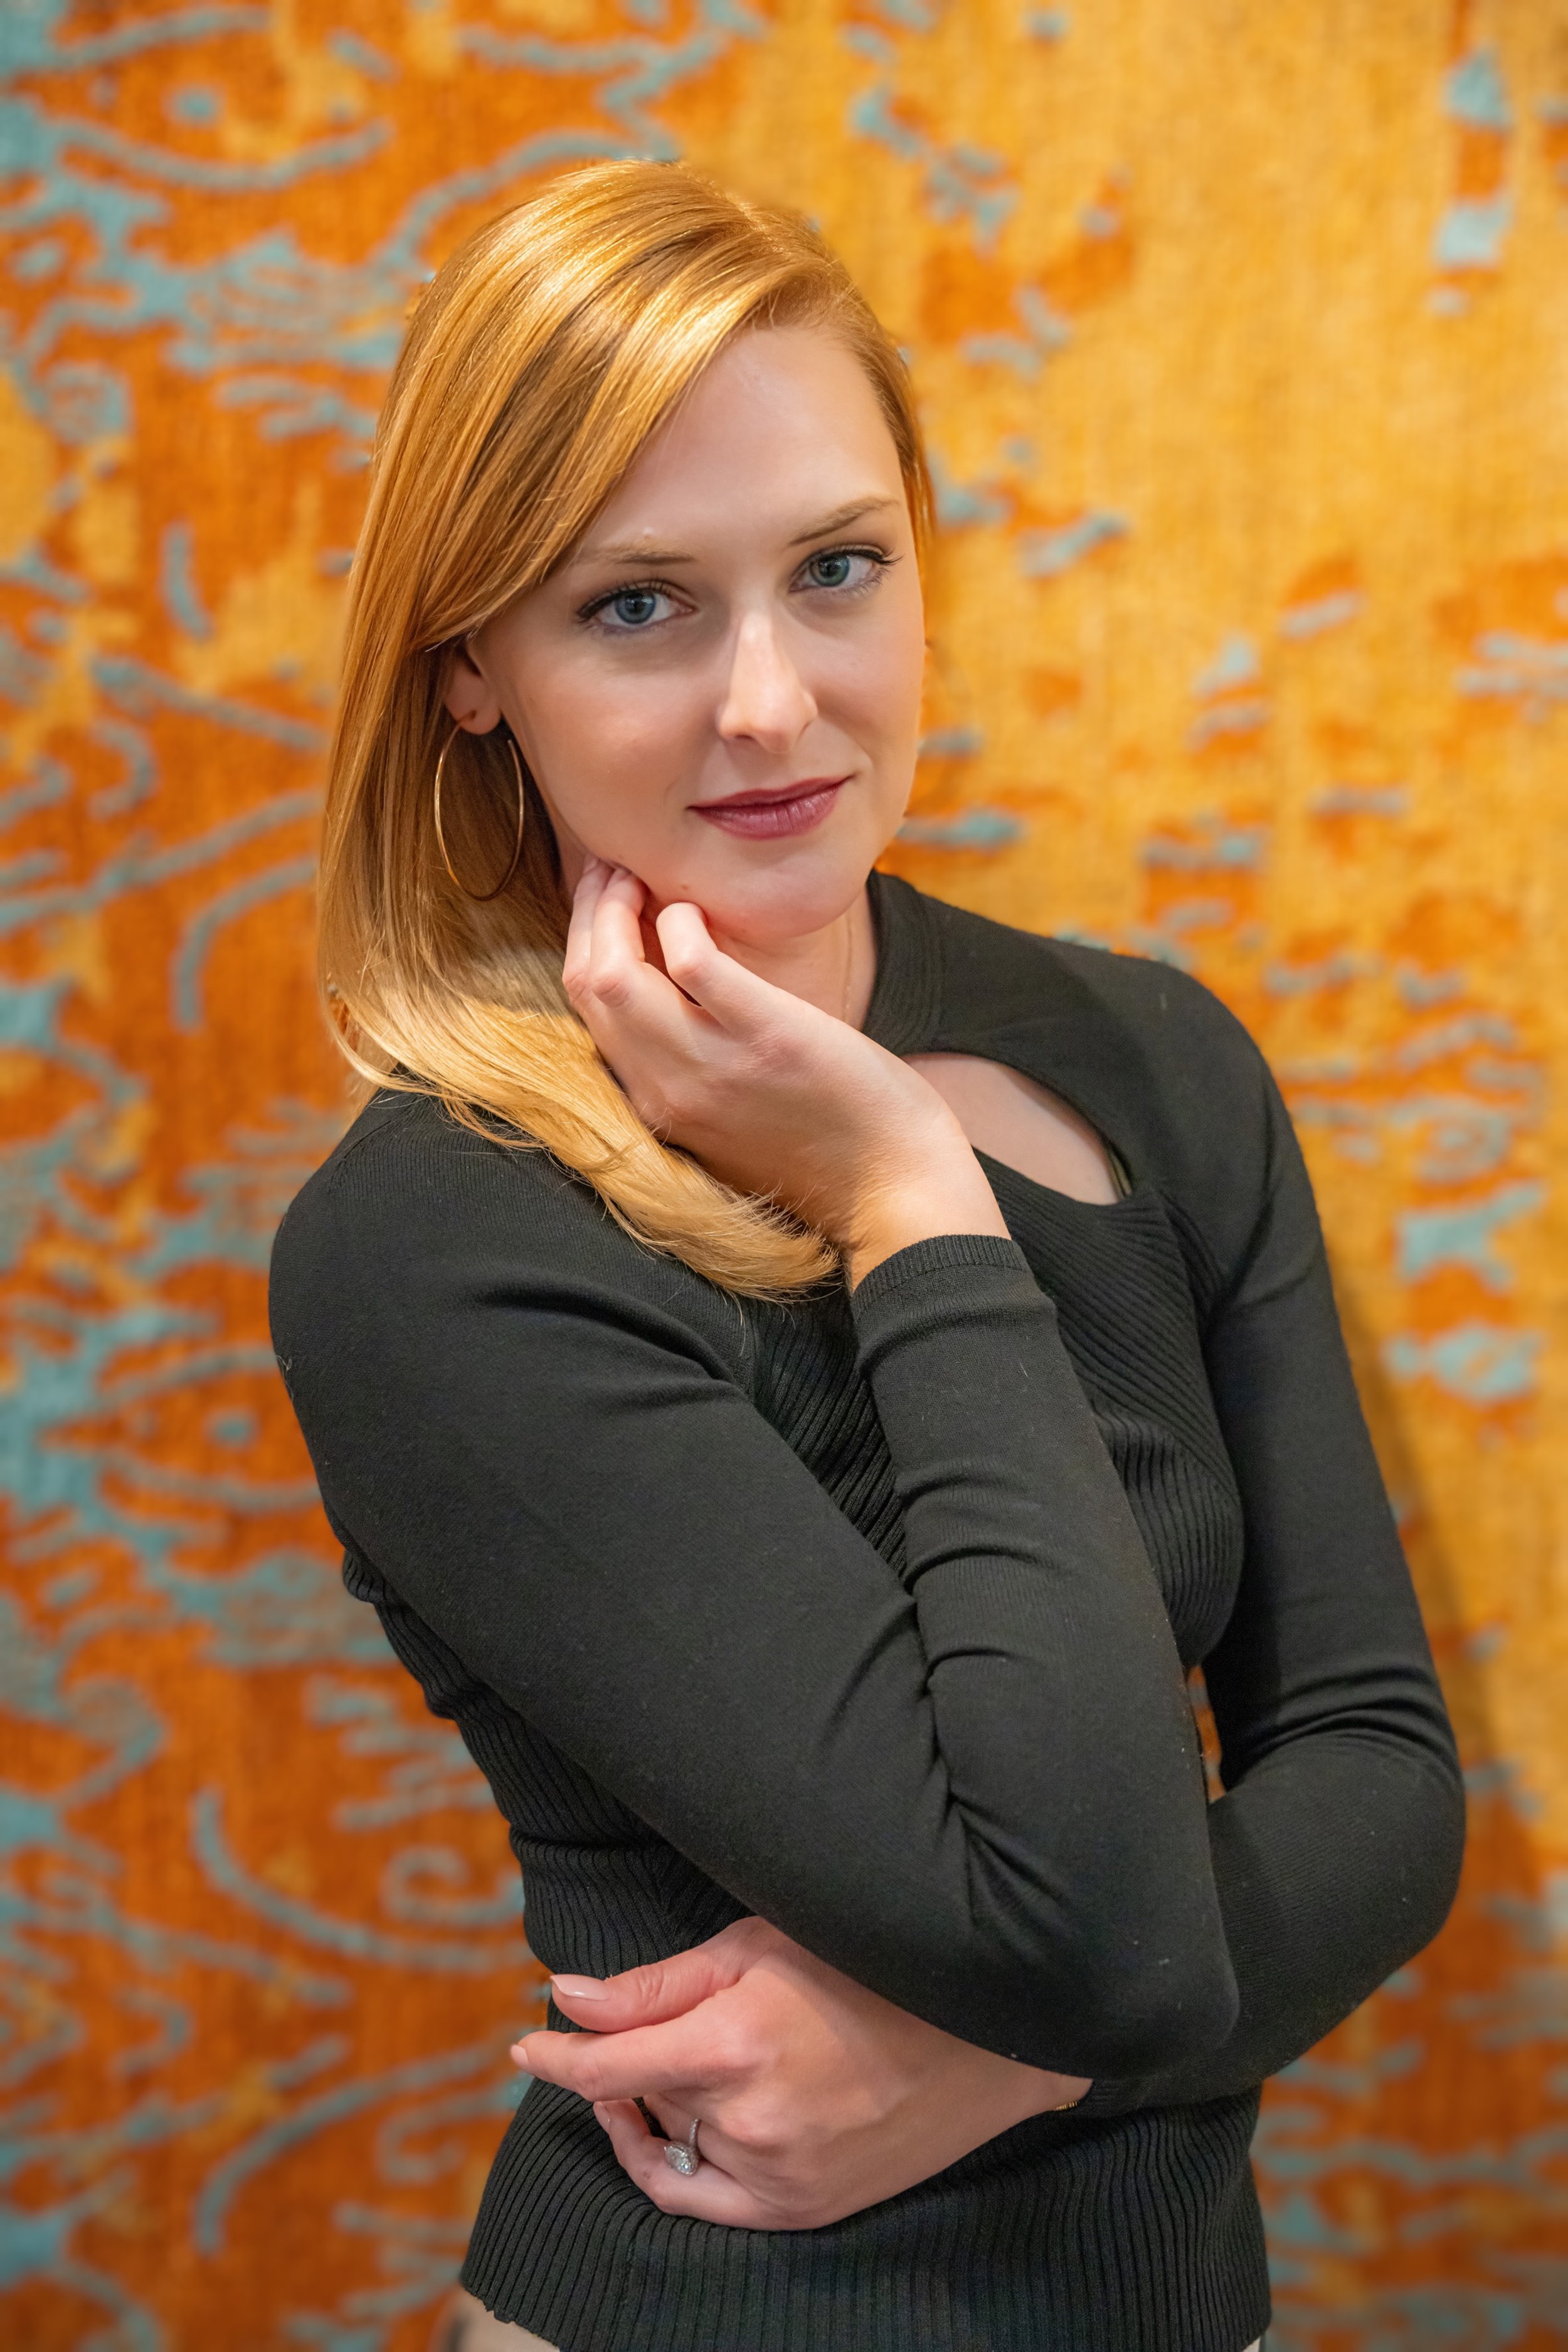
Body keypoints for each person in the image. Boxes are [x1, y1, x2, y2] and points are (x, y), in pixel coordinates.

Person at [270, 161, 1465, 2352]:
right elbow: (1070, 1913)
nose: (770, 703)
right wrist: (910, 1203)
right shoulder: (432, 1234)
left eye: (836, 569)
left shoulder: (1147, 1055)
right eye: (637, 604)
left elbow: (1379, 1770)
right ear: (468, 667)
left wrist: (995, 2055)